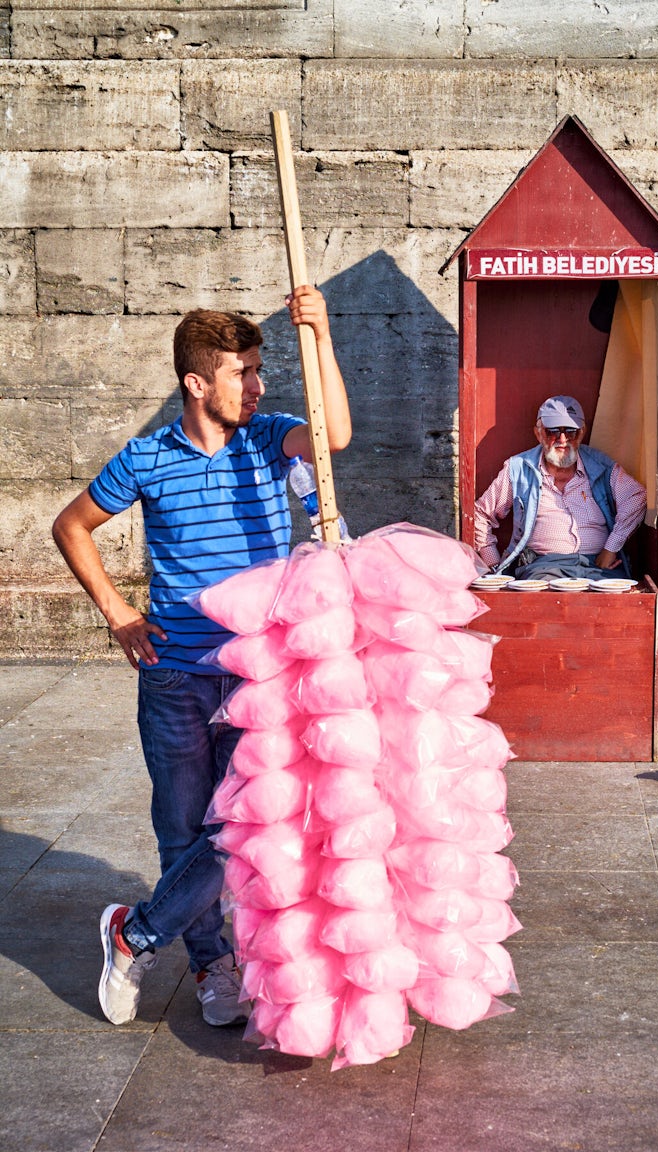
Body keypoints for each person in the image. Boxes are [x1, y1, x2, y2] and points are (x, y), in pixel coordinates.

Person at [52, 285, 351, 1028]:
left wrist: (321, 337)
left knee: (242, 828)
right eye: (241, 373)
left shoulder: (269, 439)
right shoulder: (148, 457)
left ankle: (136, 932)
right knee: (183, 832)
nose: (258, 386)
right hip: (175, 678)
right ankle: (214, 963)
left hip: (257, 676)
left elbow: (336, 436)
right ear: (196, 382)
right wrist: (119, 614)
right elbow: (71, 526)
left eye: (259, 370)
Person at [473, 395, 646, 580]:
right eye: (553, 431)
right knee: (542, 595)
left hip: (598, 566)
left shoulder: (601, 466)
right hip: (543, 567)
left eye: (571, 431)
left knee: (617, 596)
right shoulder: (519, 469)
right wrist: (493, 565)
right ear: (539, 434)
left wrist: (611, 548)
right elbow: (481, 514)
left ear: (581, 433)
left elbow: (637, 497)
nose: (562, 439)